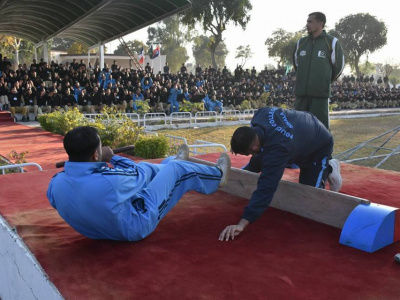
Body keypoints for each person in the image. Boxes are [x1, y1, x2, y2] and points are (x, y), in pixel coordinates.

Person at [47, 126, 231, 241]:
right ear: (96, 155)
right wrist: (113, 157)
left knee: (156, 169)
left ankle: (169, 163)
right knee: (175, 170)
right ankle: (217, 175)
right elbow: (139, 173)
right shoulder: (109, 180)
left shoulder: (55, 183)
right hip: (133, 227)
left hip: (97, 231)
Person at [219, 107, 342, 241]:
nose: (251, 155)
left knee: (310, 198)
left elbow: (267, 187)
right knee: (262, 158)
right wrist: (239, 178)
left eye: (249, 153)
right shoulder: (259, 116)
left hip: (318, 144)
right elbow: (260, 156)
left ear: (253, 147)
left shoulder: (278, 149)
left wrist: (242, 223)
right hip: (301, 129)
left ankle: (329, 167)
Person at [293, 12, 344, 130]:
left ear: (320, 23)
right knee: (298, 128)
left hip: (320, 96)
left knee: (320, 130)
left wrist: (325, 80)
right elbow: (296, 65)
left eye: (310, 21)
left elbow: (339, 67)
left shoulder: (332, 42)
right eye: (307, 22)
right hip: (301, 95)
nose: (307, 24)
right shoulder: (301, 43)